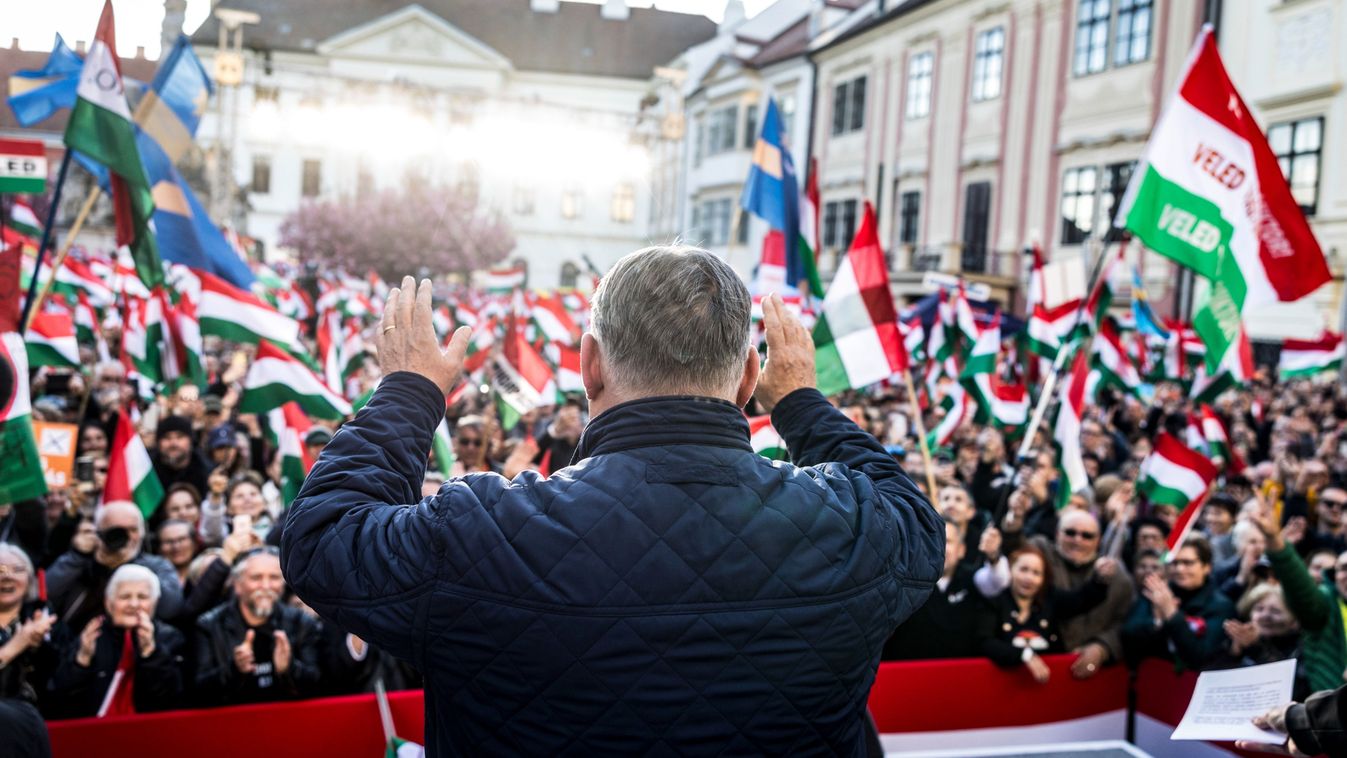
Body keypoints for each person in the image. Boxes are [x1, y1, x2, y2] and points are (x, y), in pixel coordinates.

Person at [282, 253, 943, 754]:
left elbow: (322, 538)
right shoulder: (855, 526)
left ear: (589, 365)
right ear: (749, 375)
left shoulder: (482, 530)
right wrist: (799, 400)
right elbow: (915, 517)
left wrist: (408, 390)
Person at [995, 503, 1136, 679]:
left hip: (1094, 677)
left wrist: (1102, 647)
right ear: (1057, 533)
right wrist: (1014, 521)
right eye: (1070, 533)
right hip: (1035, 669)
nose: (1078, 540)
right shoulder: (1041, 553)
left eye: (1087, 536)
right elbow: (1016, 549)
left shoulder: (1117, 577)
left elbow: (1125, 622)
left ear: (1098, 540)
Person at [48, 564, 184, 717]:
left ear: (155, 602)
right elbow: (61, 699)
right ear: (108, 602)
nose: (134, 604)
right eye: (125, 597)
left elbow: (171, 699)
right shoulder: (91, 635)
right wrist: (82, 660)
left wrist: (151, 653)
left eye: (142, 597)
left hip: (149, 727)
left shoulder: (170, 637)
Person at [194, 548, 322, 705]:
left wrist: (289, 668)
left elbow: (318, 686)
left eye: (274, 577)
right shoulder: (209, 625)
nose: (266, 586)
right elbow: (200, 693)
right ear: (237, 585)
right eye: (256, 578)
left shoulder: (302, 622)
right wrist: (235, 669)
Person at [974, 545, 1118, 684]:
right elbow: (985, 642)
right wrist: (1024, 655)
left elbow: (1082, 600)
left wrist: (1100, 578)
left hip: (1049, 683)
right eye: (1023, 570)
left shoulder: (1050, 599)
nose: (1029, 578)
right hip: (1002, 684)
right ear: (1010, 570)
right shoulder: (994, 602)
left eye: (1036, 573)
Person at [46, 502, 184, 632]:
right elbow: (47, 593)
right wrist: (77, 556)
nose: (127, 537)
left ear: (142, 534)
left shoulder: (156, 566)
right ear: (99, 533)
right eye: (117, 530)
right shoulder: (82, 562)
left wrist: (131, 564)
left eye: (133, 529)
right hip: (80, 640)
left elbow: (171, 608)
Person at [1123, 536, 1234, 671]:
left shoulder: (1221, 606)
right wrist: (1157, 621)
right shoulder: (1158, 592)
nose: (1179, 569)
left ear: (1206, 567)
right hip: (1153, 675)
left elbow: (1201, 655)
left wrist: (1172, 614)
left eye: (1188, 563)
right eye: (1174, 563)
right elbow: (1128, 634)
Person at [883, 519, 982, 660]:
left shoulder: (975, 581)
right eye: (934, 541)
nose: (940, 548)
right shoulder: (902, 581)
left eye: (948, 541)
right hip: (909, 669)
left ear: (961, 550)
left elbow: (995, 580)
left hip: (961, 670)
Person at [0, 545, 55, 758]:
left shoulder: (49, 621)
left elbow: (62, 683)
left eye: (17, 569)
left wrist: (40, 648)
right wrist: (16, 646)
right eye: (0, 570)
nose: (8, 577)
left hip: (35, 728)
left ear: (31, 579)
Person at [150, 415, 211, 496]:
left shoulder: (207, 473)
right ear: (158, 443)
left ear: (190, 441)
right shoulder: (147, 473)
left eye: (180, 437)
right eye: (167, 438)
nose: (173, 443)